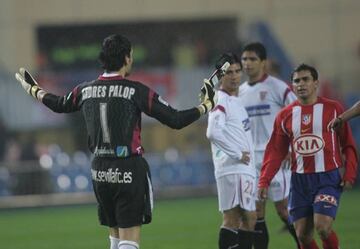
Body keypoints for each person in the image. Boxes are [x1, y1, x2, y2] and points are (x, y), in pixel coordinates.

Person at [15, 34, 217, 249]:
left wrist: (34, 90)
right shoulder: (136, 91)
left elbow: (59, 104)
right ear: (127, 58)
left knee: (115, 238)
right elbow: (175, 120)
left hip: (100, 171)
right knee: (129, 240)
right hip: (128, 168)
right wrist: (206, 105)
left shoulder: (85, 90)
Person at [258, 63, 358, 249]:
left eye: (305, 79)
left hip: (327, 178)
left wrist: (350, 173)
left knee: (323, 227)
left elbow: (348, 144)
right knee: (303, 236)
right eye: (296, 81)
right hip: (299, 182)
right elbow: (275, 151)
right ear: (292, 85)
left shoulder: (333, 109)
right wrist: (264, 180)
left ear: (315, 83)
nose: (301, 84)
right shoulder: (285, 115)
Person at [238, 42, 300, 249]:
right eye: (244, 59)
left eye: (252, 59)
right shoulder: (240, 92)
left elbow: (297, 116)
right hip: (250, 159)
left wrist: (291, 148)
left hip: (275, 156)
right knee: (256, 212)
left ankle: (305, 244)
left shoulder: (278, 88)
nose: (247, 64)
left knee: (283, 209)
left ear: (263, 62)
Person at [206, 53, 257, 249]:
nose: (235, 76)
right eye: (229, 72)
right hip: (234, 168)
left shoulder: (233, 100)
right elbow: (213, 132)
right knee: (240, 218)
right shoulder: (221, 99)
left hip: (238, 169)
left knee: (242, 219)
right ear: (219, 75)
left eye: (237, 71)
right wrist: (238, 154)